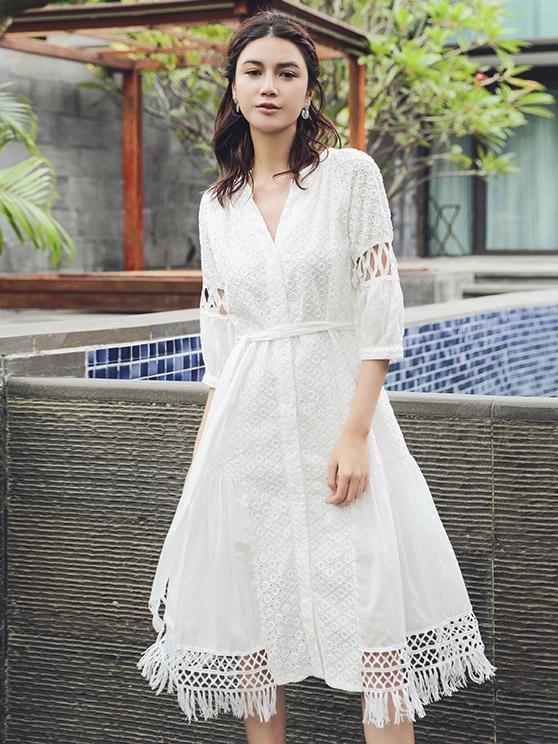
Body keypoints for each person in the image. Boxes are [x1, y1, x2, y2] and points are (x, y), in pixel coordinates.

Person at [137, 10, 496, 743]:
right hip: (248, 433)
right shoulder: (217, 205)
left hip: (340, 420)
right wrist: (203, 462)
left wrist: (356, 433)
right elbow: (221, 347)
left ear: (309, 91)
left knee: (374, 624)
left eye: (287, 72)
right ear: (234, 86)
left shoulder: (350, 176)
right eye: (254, 71)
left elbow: (379, 313)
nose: (269, 85)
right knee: (253, 626)